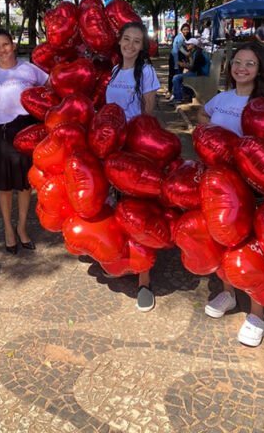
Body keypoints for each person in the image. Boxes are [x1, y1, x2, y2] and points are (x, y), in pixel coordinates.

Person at [197, 41, 264, 347]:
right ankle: (228, 293)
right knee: (223, 239)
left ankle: (258, 314)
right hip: (220, 186)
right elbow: (203, 117)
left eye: (250, 64)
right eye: (238, 62)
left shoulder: (263, 105)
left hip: (252, 187)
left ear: (260, 70)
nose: (241, 68)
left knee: (255, 246)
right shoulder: (222, 98)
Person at [104, 21, 161, 311]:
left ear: (142, 46)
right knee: (116, 210)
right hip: (113, 153)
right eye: (126, 39)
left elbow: (148, 118)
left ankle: (144, 280)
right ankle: (123, 260)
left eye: (136, 41)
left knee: (139, 215)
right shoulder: (113, 72)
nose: (130, 45)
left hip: (136, 155)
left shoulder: (147, 72)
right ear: (120, 41)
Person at [0, 28, 48, 254]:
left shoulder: (29, 69)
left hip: (28, 129)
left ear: (13, 45)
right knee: (5, 184)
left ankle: (21, 227)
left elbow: (49, 87)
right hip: (3, 131)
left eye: (6, 45)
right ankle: (8, 229)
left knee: (24, 184)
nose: (3, 50)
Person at [169, 38, 208, 103]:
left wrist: (185, 65)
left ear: (193, 45)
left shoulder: (198, 54)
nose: (186, 45)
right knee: (180, 76)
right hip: (198, 72)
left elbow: (195, 68)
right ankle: (185, 95)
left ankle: (178, 98)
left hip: (200, 74)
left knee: (176, 78)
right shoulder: (195, 52)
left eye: (188, 44)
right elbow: (194, 66)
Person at [168, 22, 191, 95]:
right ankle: (172, 91)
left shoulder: (182, 37)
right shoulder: (180, 37)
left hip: (177, 58)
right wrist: (187, 54)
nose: (186, 31)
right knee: (174, 74)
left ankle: (173, 91)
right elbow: (180, 48)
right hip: (175, 59)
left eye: (187, 29)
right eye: (184, 29)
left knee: (175, 74)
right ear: (181, 30)